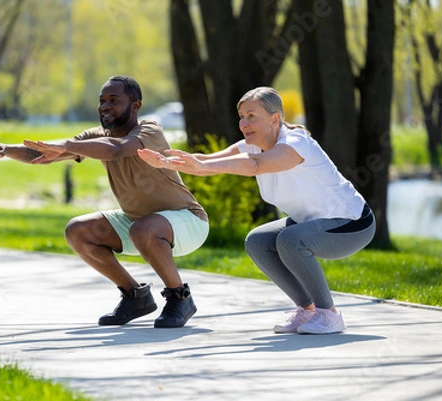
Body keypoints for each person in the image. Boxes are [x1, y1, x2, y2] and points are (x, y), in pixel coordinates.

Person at [0, 75, 209, 328]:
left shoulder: (149, 131)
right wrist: (3, 149)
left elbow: (116, 149)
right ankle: (135, 297)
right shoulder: (98, 135)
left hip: (186, 221)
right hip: (140, 223)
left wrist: (70, 144)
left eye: (114, 100)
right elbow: (45, 155)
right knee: (78, 231)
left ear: (135, 105)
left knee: (143, 228)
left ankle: (179, 297)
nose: (105, 106)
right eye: (102, 100)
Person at [138, 86, 375, 335]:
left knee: (290, 240)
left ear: (275, 119)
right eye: (241, 116)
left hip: (352, 224)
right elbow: (208, 162)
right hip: (314, 223)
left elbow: (255, 166)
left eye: (252, 116)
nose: (243, 123)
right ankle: (307, 309)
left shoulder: (295, 145)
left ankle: (330, 315)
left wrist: (198, 165)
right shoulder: (252, 146)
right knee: (257, 241)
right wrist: (170, 163)